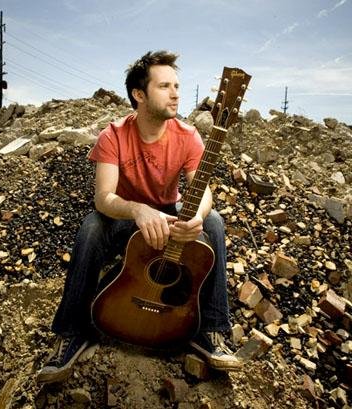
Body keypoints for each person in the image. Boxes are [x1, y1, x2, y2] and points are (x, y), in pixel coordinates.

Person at [37, 50, 242, 384]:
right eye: (164, 86)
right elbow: (104, 197)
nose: (175, 94)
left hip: (171, 215)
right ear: (139, 94)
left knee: (215, 221)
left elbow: (202, 189)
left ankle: (212, 330)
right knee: (92, 226)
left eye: (177, 85)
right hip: (127, 220)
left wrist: (197, 216)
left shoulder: (189, 136)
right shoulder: (113, 135)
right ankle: (72, 332)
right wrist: (138, 210)